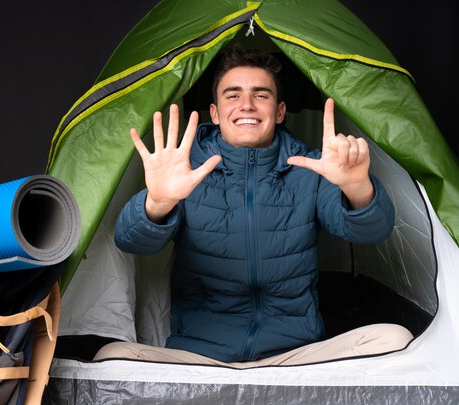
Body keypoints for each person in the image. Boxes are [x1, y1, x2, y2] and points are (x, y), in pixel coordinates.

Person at [94, 47, 413, 367]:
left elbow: (373, 230)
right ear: (215, 113)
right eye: (232, 96)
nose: (246, 105)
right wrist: (159, 201)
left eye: (261, 95)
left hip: (294, 358)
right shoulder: (187, 171)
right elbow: (129, 240)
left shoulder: (312, 169)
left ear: (279, 111)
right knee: (113, 357)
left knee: (394, 339)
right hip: (200, 359)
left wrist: (356, 186)